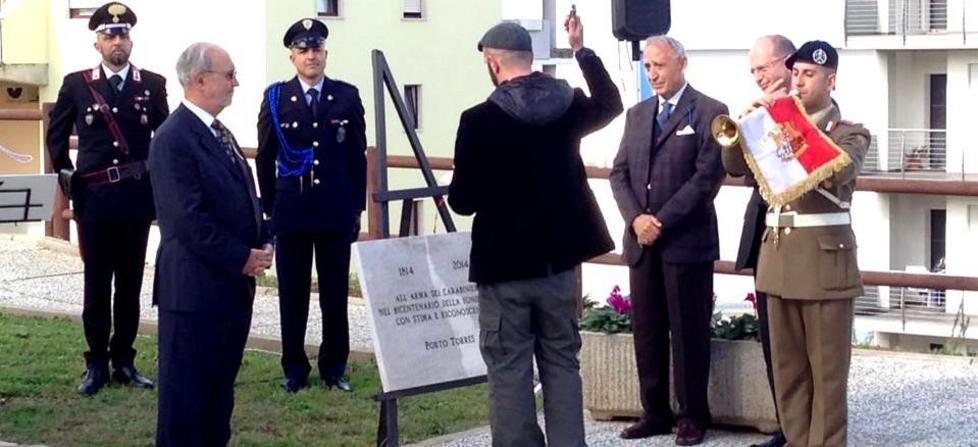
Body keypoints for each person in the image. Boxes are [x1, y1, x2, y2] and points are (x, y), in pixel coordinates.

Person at [447, 13, 622, 447]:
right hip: (558, 265)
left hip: (504, 267)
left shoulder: (479, 120)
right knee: (562, 362)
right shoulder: (568, 106)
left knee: (509, 368)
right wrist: (581, 50)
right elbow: (611, 101)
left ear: (493, 63)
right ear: (530, 59)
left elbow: (463, 201)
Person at [722, 40, 871, 447]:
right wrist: (748, 127)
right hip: (778, 259)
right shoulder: (775, 124)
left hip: (824, 264)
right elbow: (733, 166)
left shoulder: (849, 133)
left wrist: (786, 121)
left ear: (831, 80)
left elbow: (835, 170)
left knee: (826, 374)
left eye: (809, 74)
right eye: (797, 73)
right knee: (788, 373)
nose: (799, 81)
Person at [150, 42, 272, 446]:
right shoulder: (174, 137)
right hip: (193, 295)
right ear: (200, 80)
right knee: (185, 406)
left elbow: (242, 198)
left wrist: (263, 239)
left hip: (229, 293)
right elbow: (187, 220)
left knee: (217, 402)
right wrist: (241, 257)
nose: (236, 82)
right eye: (229, 74)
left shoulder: (220, 132)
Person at [608, 35, 728, 446]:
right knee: (647, 329)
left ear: (681, 64)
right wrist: (636, 219)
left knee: (689, 329)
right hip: (642, 243)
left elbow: (706, 178)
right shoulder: (638, 115)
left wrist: (659, 220)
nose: (653, 74)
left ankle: (693, 414)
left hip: (686, 242)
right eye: (647, 67)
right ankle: (654, 412)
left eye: (659, 65)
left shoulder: (710, 111)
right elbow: (619, 172)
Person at [46, 1, 168, 396]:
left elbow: (164, 141)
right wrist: (67, 176)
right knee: (96, 284)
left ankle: (125, 360)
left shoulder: (151, 84)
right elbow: (57, 136)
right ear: (96, 42)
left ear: (130, 40)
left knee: (130, 284)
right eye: (110, 35)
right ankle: (96, 362)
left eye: (123, 34)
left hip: (134, 200)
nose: (118, 41)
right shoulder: (77, 84)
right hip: (95, 200)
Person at [256, 17, 367, 393]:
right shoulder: (276, 98)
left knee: (335, 294)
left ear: (325, 53)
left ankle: (335, 367)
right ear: (292, 56)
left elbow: (357, 158)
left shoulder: (346, 96)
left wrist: (356, 210)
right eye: (303, 50)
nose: (311, 56)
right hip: (293, 212)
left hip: (335, 211)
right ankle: (294, 368)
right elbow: (265, 159)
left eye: (316, 48)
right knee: (293, 293)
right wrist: (269, 212)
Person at [736, 34, 796, 447]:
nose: (758, 77)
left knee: (803, 342)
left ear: (787, 63)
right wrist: (750, 120)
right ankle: (785, 422)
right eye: (753, 71)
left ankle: (808, 425)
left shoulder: (807, 103)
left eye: (763, 68)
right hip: (764, 233)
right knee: (772, 336)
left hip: (801, 238)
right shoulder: (760, 110)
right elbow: (741, 169)